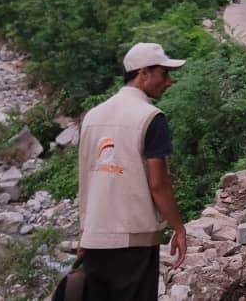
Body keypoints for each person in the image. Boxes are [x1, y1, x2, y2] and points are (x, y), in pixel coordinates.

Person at [76, 42, 187, 301]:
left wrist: (82, 233)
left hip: (95, 239)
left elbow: (86, 179)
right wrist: (178, 229)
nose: (168, 82)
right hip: (134, 241)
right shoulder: (151, 117)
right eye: (164, 73)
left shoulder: (92, 116)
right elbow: (158, 183)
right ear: (144, 73)